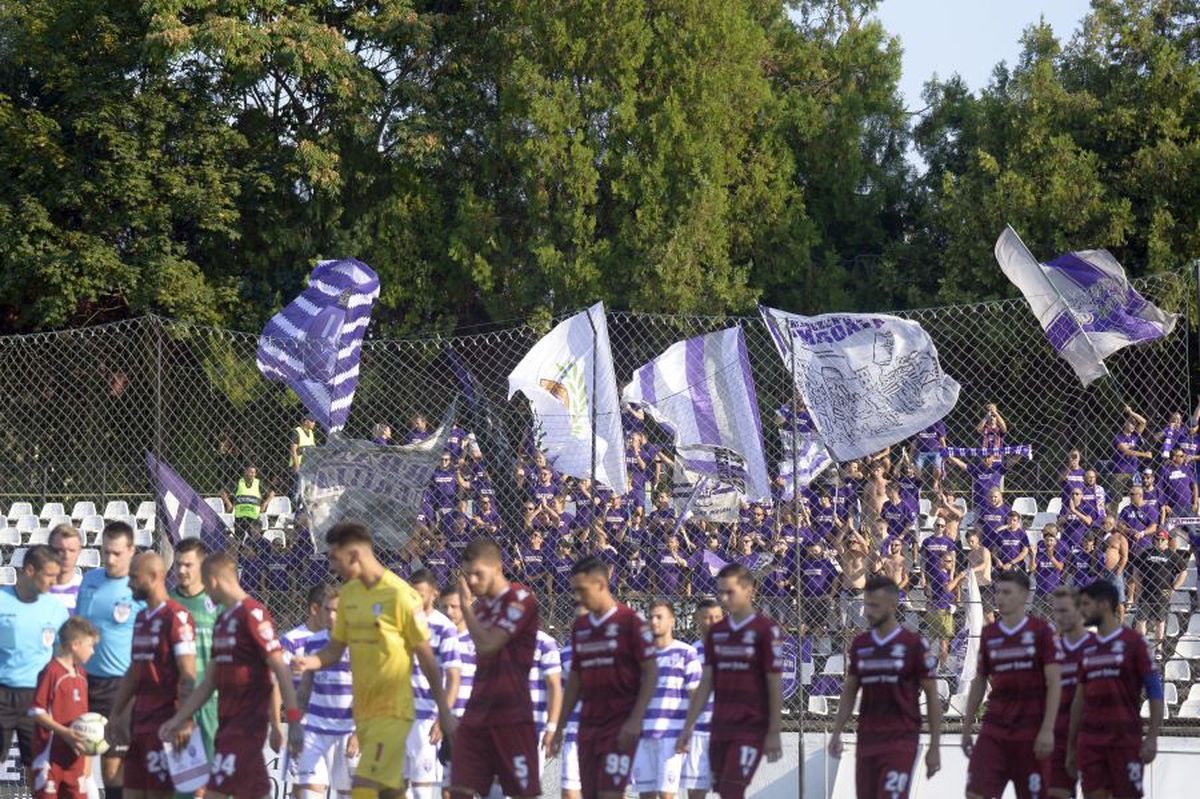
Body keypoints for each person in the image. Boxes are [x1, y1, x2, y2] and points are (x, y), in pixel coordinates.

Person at [291, 522, 455, 799]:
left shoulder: (400, 594)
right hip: (363, 715)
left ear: (354, 554)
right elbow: (335, 648)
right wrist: (311, 662)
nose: (332, 566)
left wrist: (444, 711)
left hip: (394, 712)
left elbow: (426, 657)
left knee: (365, 789)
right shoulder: (350, 595)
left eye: (335, 557)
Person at [159, 553, 301, 799]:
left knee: (218, 792)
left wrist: (290, 722)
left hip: (247, 727)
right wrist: (180, 718)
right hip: (226, 726)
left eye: (205, 583)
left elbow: (279, 669)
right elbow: (210, 681)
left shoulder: (253, 614)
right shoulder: (223, 620)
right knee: (236, 792)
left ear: (212, 581)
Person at [548, 556, 657, 799]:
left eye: (581, 590)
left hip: (619, 725)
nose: (577, 596)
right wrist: (559, 726)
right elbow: (575, 678)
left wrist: (636, 719)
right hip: (588, 727)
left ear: (600, 584)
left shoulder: (630, 622)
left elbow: (651, 671)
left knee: (610, 794)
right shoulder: (581, 627)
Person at [828, 576, 941, 799]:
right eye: (867, 605)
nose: (868, 611)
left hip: (901, 739)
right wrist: (837, 732)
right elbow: (849, 692)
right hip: (868, 739)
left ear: (893, 605)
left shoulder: (913, 644)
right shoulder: (861, 645)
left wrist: (935, 745)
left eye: (875, 606)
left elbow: (932, 694)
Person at [676, 564, 783, 799]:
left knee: (732, 790)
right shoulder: (717, 633)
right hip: (719, 726)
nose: (724, 598)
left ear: (749, 591)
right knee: (722, 792)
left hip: (749, 727)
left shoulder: (765, 630)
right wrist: (688, 726)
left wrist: (774, 730)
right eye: (721, 593)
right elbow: (706, 684)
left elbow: (774, 682)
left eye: (730, 592)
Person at [961, 570, 1063, 799]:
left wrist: (1048, 728)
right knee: (975, 793)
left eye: (1007, 592)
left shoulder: (1040, 632)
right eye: (998, 592)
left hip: (1031, 729)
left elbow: (1055, 682)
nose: (1000, 598)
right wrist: (967, 726)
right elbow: (980, 680)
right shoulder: (990, 634)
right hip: (995, 727)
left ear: (1025, 596)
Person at [108, 552, 198, 799]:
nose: (129, 583)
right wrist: (115, 714)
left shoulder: (176, 617)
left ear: (156, 576)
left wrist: (184, 720)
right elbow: (133, 671)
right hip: (139, 724)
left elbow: (188, 673)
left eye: (134, 577)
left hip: (165, 725)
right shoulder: (140, 618)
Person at [1066, 580, 1163, 799]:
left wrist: (1153, 737)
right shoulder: (1087, 647)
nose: (1082, 610)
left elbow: (1155, 691)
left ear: (1103, 604)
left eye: (1086, 604)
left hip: (1124, 738)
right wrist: (1071, 747)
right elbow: (1079, 700)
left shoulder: (1134, 642)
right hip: (1090, 740)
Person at [76, 521, 145, 798]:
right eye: (106, 552)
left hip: (121, 687)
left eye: (116, 553)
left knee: (113, 765)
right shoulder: (90, 580)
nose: (110, 559)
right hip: (83, 682)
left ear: (131, 550)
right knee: (77, 761)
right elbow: (79, 626)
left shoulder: (139, 589)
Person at [0, 545, 71, 788]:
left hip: (38, 698)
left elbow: (63, 657)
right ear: (30, 570)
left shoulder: (56, 609)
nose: (54, 582)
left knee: (37, 767)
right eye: (49, 576)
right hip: (2, 693)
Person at [292, 586, 356, 799]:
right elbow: (305, 688)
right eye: (328, 610)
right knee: (309, 794)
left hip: (348, 731)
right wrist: (295, 725)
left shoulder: (360, 644)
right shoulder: (313, 642)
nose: (331, 615)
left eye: (337, 611)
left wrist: (359, 732)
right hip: (315, 729)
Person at [632, 601, 700, 799]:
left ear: (672, 621)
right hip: (643, 736)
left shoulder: (687, 653)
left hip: (671, 736)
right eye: (651, 617)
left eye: (659, 617)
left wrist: (688, 731)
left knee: (666, 795)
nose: (654, 621)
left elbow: (695, 696)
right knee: (646, 795)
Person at [29, 617, 100, 799]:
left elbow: (85, 719)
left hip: (75, 759)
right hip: (50, 758)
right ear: (75, 645)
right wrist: (64, 732)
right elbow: (36, 711)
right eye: (90, 646)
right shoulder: (52, 671)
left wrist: (88, 757)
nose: (93, 652)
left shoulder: (82, 675)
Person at [168, 538, 222, 776]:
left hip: (213, 699)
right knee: (183, 778)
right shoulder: (167, 603)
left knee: (217, 775)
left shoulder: (219, 603)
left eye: (188, 565)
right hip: (176, 701)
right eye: (178, 564)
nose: (181, 570)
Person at [407, 569, 462, 798]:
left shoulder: (443, 628)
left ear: (434, 595)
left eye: (420, 594)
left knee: (422, 789)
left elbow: (454, 678)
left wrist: (442, 717)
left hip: (425, 719)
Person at [1047, 587, 1093, 799]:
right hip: (1058, 734)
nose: (1060, 616)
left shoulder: (1098, 648)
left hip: (1092, 733)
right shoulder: (1050, 652)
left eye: (1065, 610)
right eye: (1057, 611)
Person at [680, 600, 722, 799]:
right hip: (698, 731)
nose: (712, 622)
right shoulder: (690, 654)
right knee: (696, 790)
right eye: (707, 617)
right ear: (697, 620)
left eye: (717, 618)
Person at [1130, 531, 1189, 659]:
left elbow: (1184, 572)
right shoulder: (1146, 553)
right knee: (1141, 620)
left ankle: (1158, 649)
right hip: (1146, 592)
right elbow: (1136, 569)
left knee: (1160, 621)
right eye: (1157, 539)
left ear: (1167, 540)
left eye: (1162, 539)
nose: (1159, 542)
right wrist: (1138, 585)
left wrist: (1173, 588)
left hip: (1162, 593)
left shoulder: (1171, 555)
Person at [926, 551, 966, 669]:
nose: (951, 564)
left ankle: (927, 663)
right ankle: (943, 667)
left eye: (952, 562)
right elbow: (947, 588)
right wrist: (959, 576)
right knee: (944, 640)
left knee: (934, 639)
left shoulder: (943, 574)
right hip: (941, 610)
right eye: (948, 561)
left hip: (938, 608)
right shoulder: (941, 574)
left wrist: (954, 574)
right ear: (941, 562)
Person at [220, 465, 275, 544]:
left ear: (255, 474)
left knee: (253, 542)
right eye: (249, 472)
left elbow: (272, 493)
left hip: (254, 518)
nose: (251, 474)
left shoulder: (258, 483)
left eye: (253, 472)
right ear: (245, 472)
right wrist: (228, 504)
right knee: (239, 542)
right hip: (240, 517)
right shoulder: (238, 482)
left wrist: (265, 504)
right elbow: (222, 492)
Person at [1112, 406, 1151, 502]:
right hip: (1120, 472)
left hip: (1133, 471)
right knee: (1117, 499)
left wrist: (1131, 412)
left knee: (1136, 495)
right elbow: (1126, 452)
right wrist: (1144, 454)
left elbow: (1143, 422)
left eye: (1134, 423)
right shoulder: (1118, 437)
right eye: (1131, 423)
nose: (1134, 425)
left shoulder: (1135, 436)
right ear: (1125, 424)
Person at [46, 524, 84, 612]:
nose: (66, 556)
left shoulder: (86, 589)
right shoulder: (36, 589)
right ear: (49, 551)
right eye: (60, 550)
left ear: (79, 551)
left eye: (71, 550)